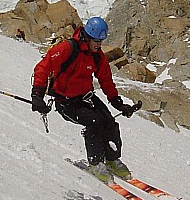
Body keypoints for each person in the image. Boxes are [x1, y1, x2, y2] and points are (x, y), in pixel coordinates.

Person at [31, 17, 138, 183]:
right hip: (65, 102)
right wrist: (37, 95)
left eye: (101, 41)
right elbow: (43, 67)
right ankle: (96, 163)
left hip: (86, 97)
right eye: (96, 41)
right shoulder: (68, 48)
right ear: (87, 37)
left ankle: (111, 159)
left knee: (109, 121)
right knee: (94, 121)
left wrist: (118, 103)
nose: (99, 45)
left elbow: (106, 80)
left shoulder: (97, 56)